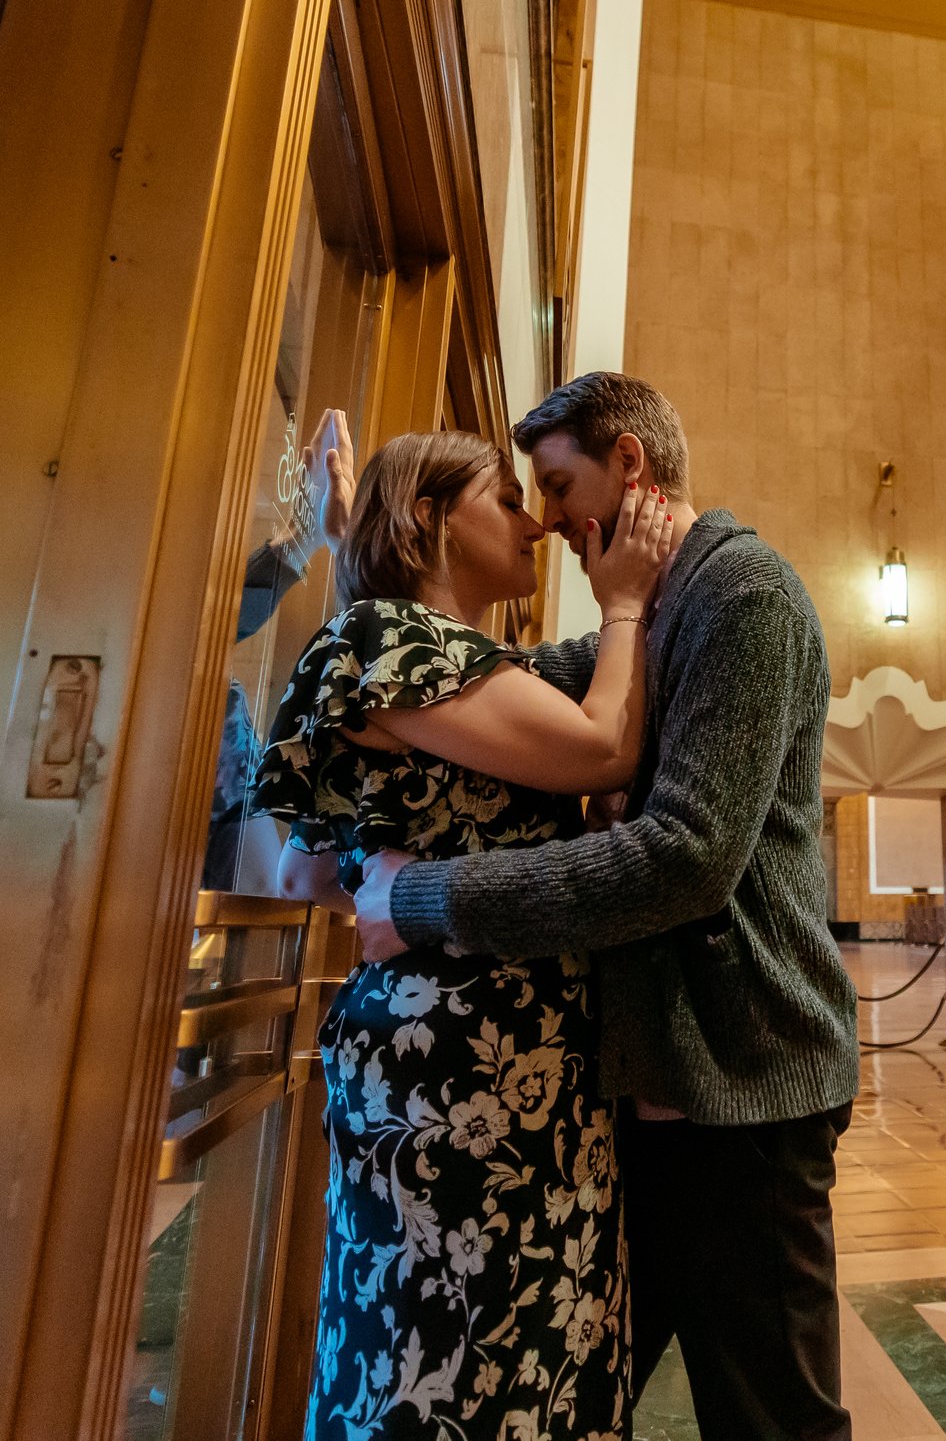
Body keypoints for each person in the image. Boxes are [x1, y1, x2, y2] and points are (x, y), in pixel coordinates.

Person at [357, 373, 861, 1441]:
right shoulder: (653, 617)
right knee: (575, 1397)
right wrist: (357, 551)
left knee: (775, 1421)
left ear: (628, 463)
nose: (546, 520)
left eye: (555, 485)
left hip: (748, 1088)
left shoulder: (744, 595)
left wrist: (422, 894)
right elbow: (489, 684)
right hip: (659, 1093)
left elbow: (684, 860)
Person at [249, 429, 673, 1441]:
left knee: (473, 1344)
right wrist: (623, 603)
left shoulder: (432, 653)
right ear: (429, 516)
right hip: (464, 1075)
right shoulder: (395, 637)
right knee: (455, 1356)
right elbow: (600, 745)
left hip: (492, 1064)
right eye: (507, 498)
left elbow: (308, 867)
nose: (534, 522)